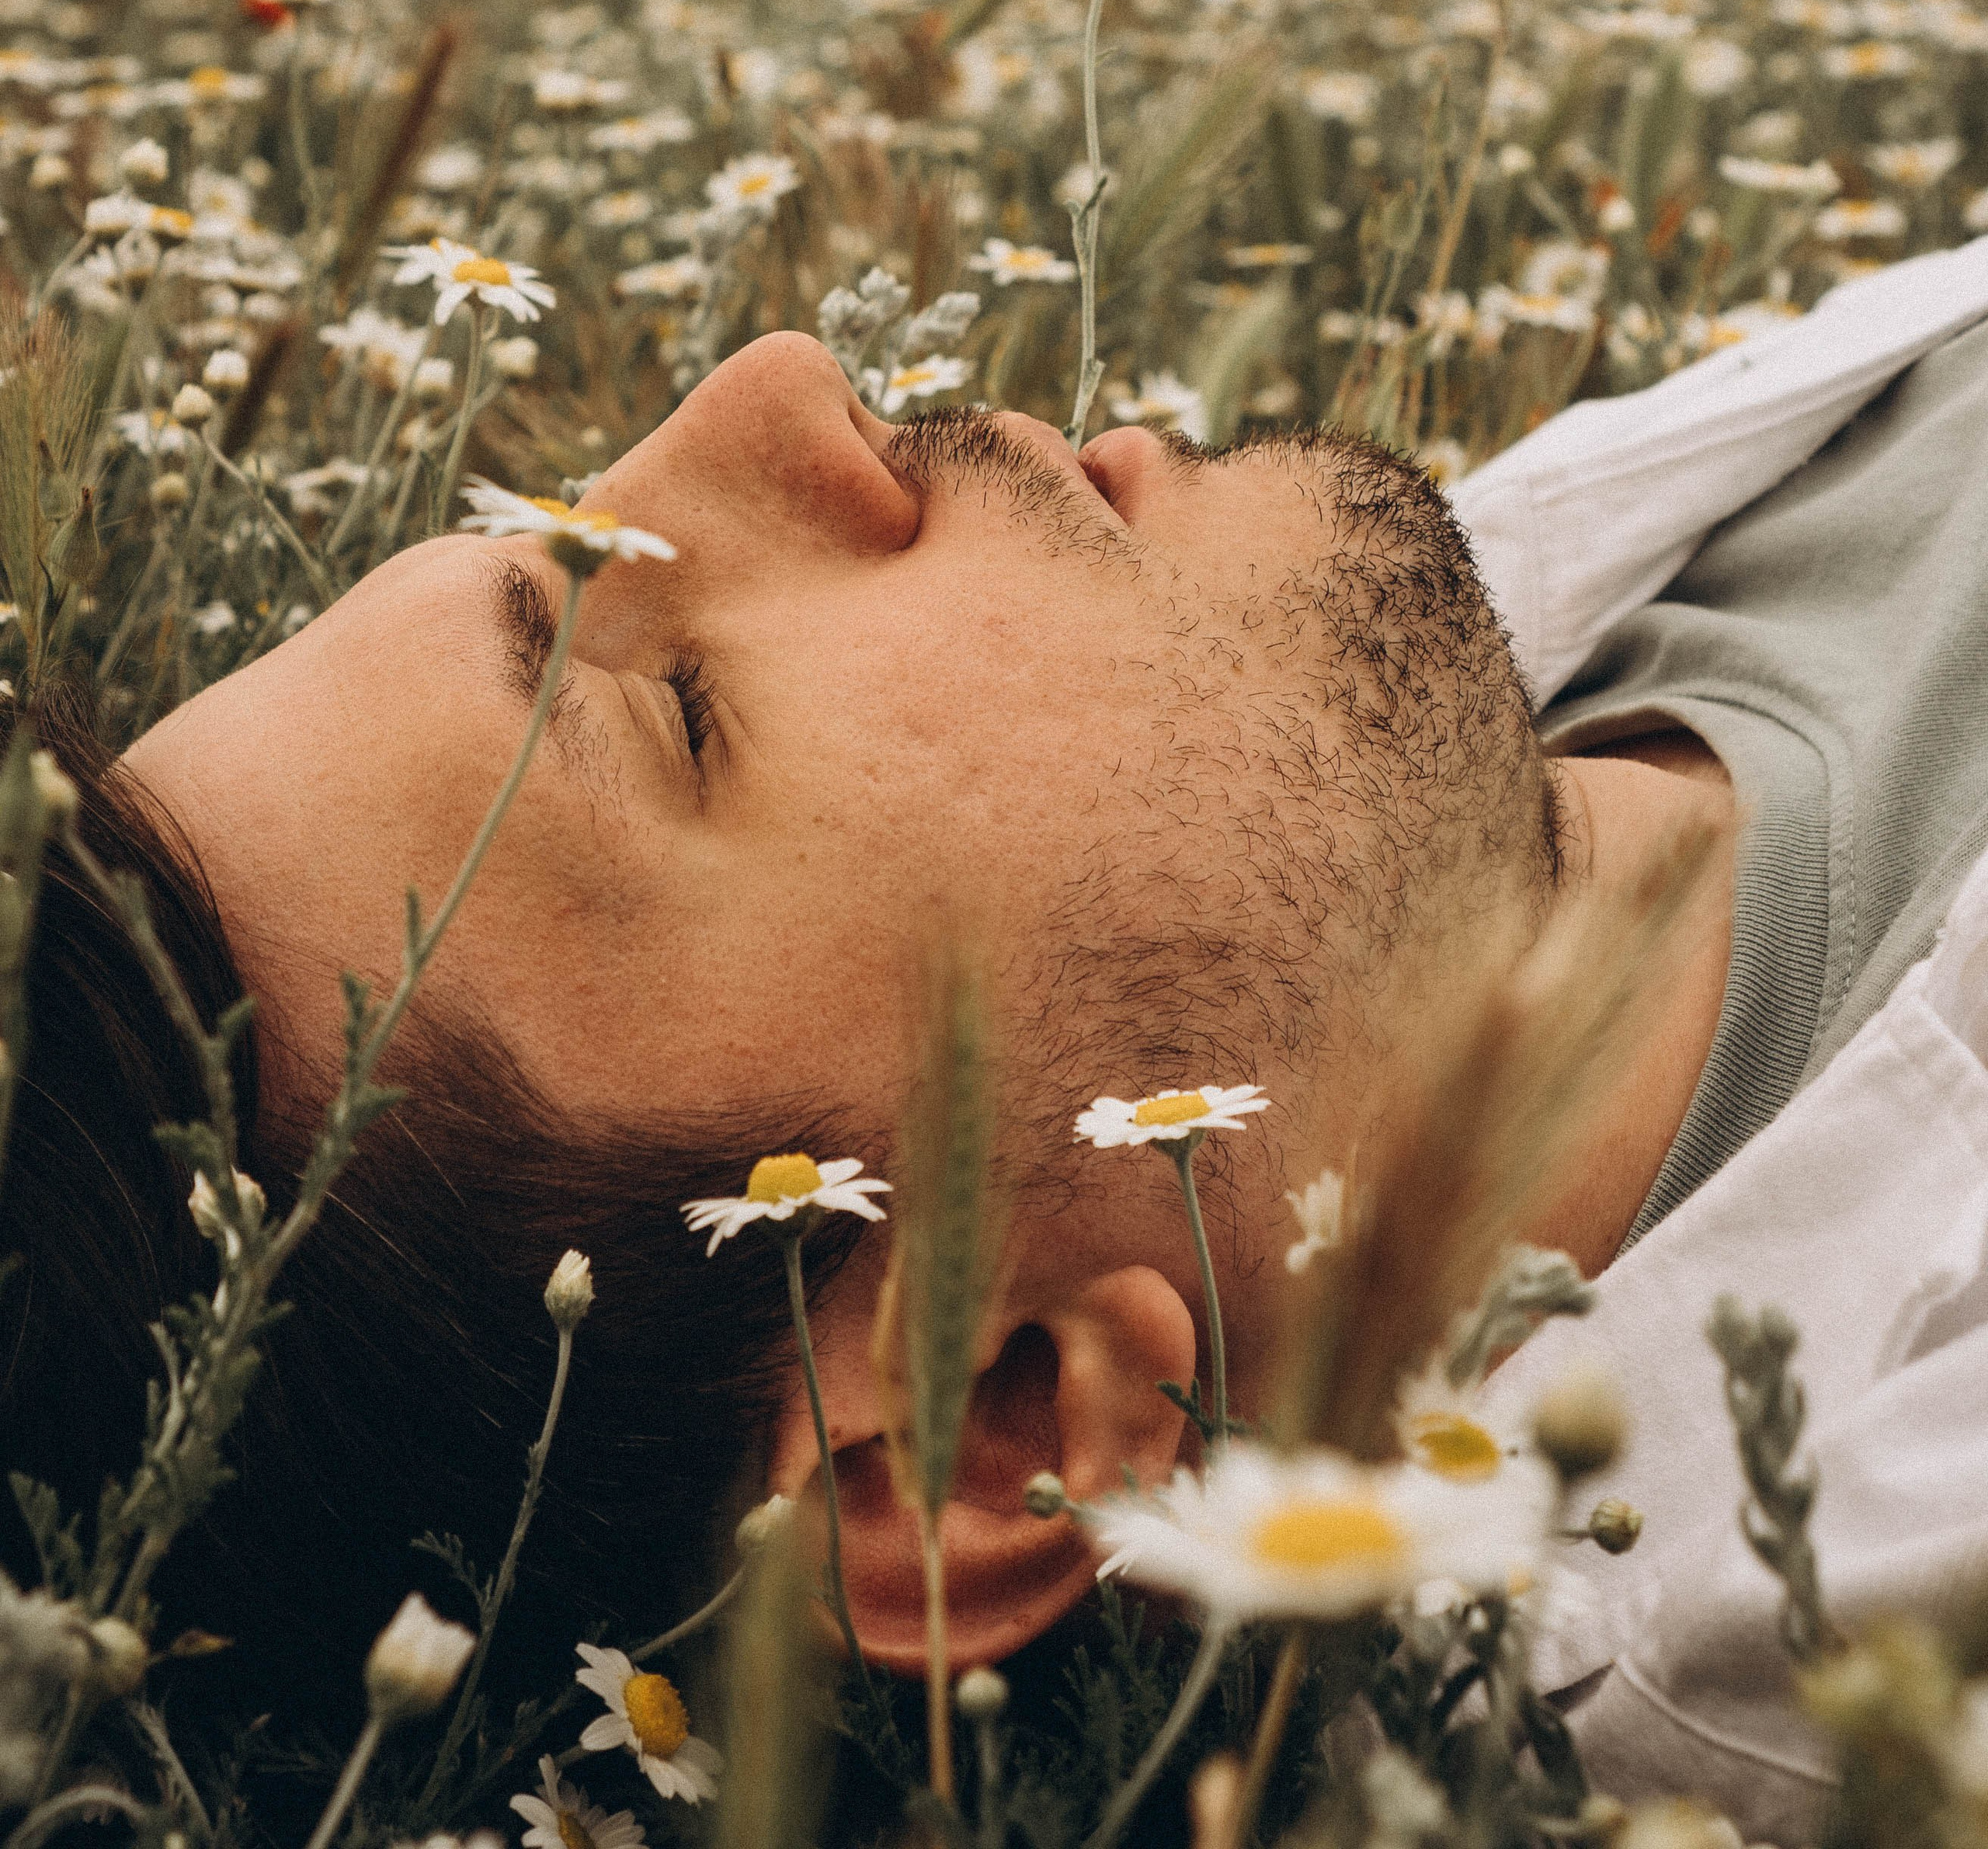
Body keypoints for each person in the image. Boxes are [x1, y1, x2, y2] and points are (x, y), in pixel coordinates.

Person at [9, 239, 1988, 1821]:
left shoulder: (1459, 673)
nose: (776, 385)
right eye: (677, 709)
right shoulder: (1909, 1562)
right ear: (994, 1433)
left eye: (568, 530)